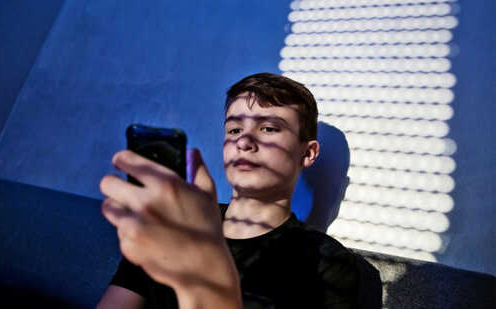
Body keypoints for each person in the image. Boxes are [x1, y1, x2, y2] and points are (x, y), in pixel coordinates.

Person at [97, 73, 382, 308]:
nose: (244, 140)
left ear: (307, 154)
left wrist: (203, 270)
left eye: (269, 128)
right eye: (234, 130)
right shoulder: (177, 224)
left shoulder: (328, 263)